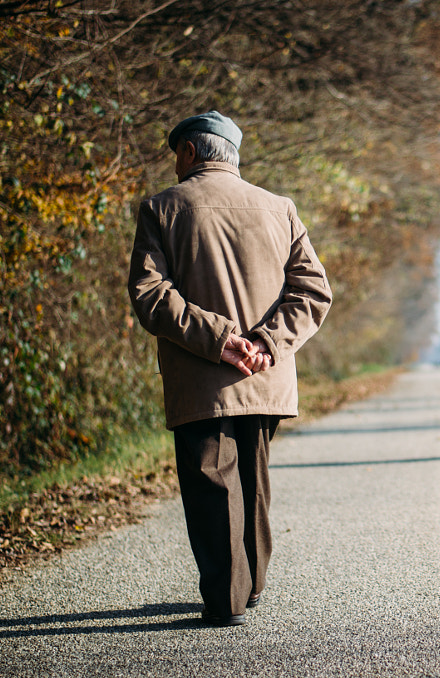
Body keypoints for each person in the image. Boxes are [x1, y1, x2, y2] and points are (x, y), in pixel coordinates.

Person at [127, 111, 332, 626]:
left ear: (191, 152)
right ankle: (252, 586)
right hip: (265, 375)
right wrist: (265, 343)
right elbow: (313, 292)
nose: (176, 163)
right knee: (252, 477)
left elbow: (151, 294)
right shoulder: (279, 208)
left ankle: (226, 601)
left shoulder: (162, 208)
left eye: (178, 152)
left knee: (210, 483)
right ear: (232, 156)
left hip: (201, 378)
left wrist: (220, 342)